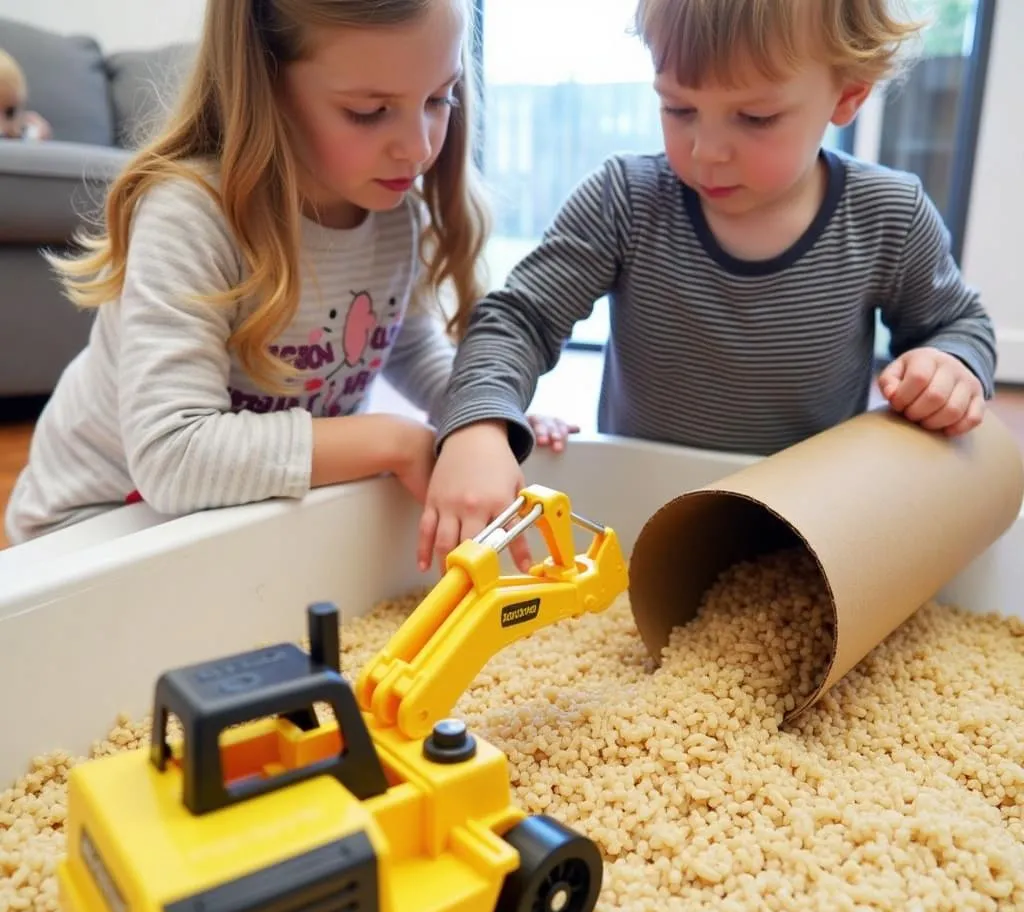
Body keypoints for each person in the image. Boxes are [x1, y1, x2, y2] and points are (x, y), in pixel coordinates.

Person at [417, 0, 998, 575]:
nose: (706, 152)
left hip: (808, 530)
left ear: (847, 94)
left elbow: (957, 324)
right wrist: (477, 427)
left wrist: (949, 364)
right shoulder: (626, 200)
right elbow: (521, 319)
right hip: (649, 514)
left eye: (755, 118)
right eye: (679, 109)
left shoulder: (886, 215)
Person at [2, 0, 566, 546]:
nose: (418, 148)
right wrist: (391, 441)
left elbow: (407, 346)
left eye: (440, 99)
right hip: (94, 522)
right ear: (266, 85)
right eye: (368, 112)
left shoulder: (398, 216)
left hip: (236, 514)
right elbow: (172, 455)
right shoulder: (191, 213)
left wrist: (480, 418)